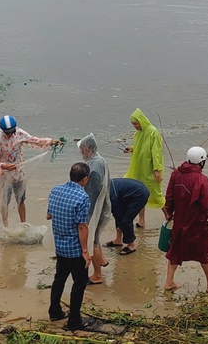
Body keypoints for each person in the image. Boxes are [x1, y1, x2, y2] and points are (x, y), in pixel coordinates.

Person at [163, 146, 208, 291]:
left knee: (175, 250)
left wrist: (168, 212)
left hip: (179, 221)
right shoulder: (201, 180)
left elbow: (169, 196)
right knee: (204, 251)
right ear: (201, 162)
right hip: (197, 223)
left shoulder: (175, 174)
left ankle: (169, 282)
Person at [46, 162, 95, 331]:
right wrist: (86, 252)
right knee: (79, 283)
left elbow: (48, 215)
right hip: (74, 249)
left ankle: (55, 311)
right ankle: (74, 320)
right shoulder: (82, 197)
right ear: (85, 179)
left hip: (60, 246)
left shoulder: (56, 190)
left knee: (59, 278)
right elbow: (82, 227)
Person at [0, 115, 59, 227]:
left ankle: (24, 224)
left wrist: (51, 142)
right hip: (4, 176)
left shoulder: (19, 134)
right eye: (7, 132)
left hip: (18, 173)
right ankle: (6, 226)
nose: (10, 134)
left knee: (21, 200)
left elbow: (34, 140)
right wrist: (4, 166)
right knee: (5, 203)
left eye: (12, 131)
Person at [77, 133, 112, 284]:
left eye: (81, 149)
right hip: (101, 205)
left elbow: (91, 194)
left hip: (96, 209)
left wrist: (88, 216)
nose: (80, 152)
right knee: (95, 237)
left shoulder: (95, 167)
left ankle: (97, 275)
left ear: (87, 148)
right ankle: (102, 261)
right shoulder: (97, 160)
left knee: (92, 242)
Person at [123, 108, 165, 228]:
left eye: (136, 123)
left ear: (141, 121)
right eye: (133, 124)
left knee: (156, 194)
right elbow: (139, 148)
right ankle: (141, 220)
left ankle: (169, 216)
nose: (135, 126)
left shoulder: (153, 132)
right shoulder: (138, 133)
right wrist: (131, 149)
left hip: (150, 169)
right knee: (139, 194)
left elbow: (156, 151)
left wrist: (157, 170)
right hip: (139, 168)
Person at [105, 178, 150, 255]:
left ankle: (131, 245)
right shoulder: (105, 186)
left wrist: (120, 224)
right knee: (120, 215)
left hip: (140, 195)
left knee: (126, 220)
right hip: (128, 194)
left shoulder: (110, 194)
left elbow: (116, 210)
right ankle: (118, 240)